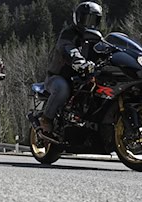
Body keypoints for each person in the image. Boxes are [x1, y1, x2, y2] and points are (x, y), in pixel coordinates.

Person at [39, 1, 102, 137]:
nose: (88, 23)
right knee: (62, 88)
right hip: (59, 77)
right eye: (86, 18)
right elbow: (68, 49)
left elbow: (105, 50)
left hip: (83, 77)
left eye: (93, 19)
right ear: (77, 18)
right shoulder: (68, 34)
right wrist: (80, 63)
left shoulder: (96, 38)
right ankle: (46, 118)